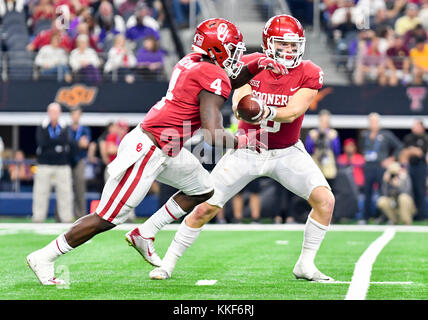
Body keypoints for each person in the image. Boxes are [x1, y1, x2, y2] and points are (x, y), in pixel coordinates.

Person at [26, 18, 285, 285]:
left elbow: (228, 79)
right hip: (148, 150)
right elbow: (213, 133)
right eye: (231, 49)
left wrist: (257, 65)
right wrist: (244, 141)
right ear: (216, 49)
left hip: (167, 147)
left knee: (203, 189)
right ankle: (44, 256)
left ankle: (146, 232)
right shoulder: (212, 74)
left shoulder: (192, 61)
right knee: (106, 217)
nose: (235, 56)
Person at [148, 15, 335, 283]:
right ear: (269, 44)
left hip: (286, 151)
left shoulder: (308, 71)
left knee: (325, 201)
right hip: (248, 150)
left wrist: (265, 109)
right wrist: (251, 109)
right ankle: (167, 263)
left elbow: (294, 112)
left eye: (295, 46)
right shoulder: (251, 63)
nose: (291, 51)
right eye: (284, 44)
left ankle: (305, 264)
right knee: (204, 208)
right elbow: (239, 106)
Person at [32, 102, 74, 223]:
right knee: (40, 194)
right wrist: (57, 145)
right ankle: (38, 219)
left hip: (62, 165)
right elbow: (42, 142)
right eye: (51, 111)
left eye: (56, 112)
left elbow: (66, 141)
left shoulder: (64, 126)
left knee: (65, 194)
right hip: (44, 165)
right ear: (48, 112)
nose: (53, 114)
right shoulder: (43, 126)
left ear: (59, 113)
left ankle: (66, 219)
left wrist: (52, 144)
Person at [359, 112, 403, 224]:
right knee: (367, 192)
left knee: (382, 192)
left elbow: (399, 146)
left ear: (378, 122)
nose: (373, 124)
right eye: (371, 121)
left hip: (380, 167)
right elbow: (362, 148)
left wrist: (391, 159)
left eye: (375, 121)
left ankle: (384, 216)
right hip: (368, 166)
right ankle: (365, 217)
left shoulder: (386, 134)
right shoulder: (365, 134)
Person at [305, 109, 341, 184]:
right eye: (322, 121)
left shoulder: (333, 133)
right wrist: (313, 140)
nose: (324, 123)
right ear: (319, 120)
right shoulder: (312, 133)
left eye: (326, 121)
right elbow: (308, 151)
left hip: (329, 169)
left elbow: (337, 151)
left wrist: (333, 140)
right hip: (316, 167)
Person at [402, 119, 428, 220]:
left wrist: (413, 151)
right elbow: (404, 153)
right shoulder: (408, 138)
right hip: (410, 166)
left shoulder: (426, 138)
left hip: (421, 167)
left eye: (416, 126)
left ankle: (422, 215)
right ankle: (412, 214)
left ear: (422, 127)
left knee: (420, 191)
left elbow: (422, 154)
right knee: (409, 190)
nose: (414, 128)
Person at [69, 108, 92, 219]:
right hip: (68, 161)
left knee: (80, 189)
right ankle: (67, 215)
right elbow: (67, 143)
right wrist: (78, 143)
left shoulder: (84, 129)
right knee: (67, 189)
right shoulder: (67, 129)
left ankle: (80, 216)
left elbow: (85, 144)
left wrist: (73, 143)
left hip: (79, 161)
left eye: (78, 114)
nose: (76, 117)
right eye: (74, 114)